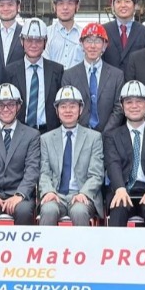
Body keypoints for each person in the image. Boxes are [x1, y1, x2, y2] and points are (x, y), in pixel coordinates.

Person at [0, 84, 41, 226]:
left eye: (10, 104)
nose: (5, 109)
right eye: (0, 105)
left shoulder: (32, 135)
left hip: (18, 193)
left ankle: (21, 249)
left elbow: (32, 169)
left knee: (23, 211)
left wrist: (20, 194)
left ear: (19, 106)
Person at [103, 80, 145, 228]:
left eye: (139, 101)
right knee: (118, 207)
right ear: (122, 106)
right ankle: (116, 250)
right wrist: (119, 188)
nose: (134, 106)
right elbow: (113, 164)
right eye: (129, 102)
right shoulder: (111, 136)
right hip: (122, 189)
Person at [37, 86, 103, 226]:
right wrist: (48, 191)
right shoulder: (46, 139)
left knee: (79, 211)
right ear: (56, 110)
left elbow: (96, 174)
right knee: (48, 209)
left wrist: (84, 194)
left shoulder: (94, 138)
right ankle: (47, 248)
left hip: (82, 193)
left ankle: (81, 249)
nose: (67, 110)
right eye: (63, 106)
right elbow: (44, 172)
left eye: (72, 106)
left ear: (80, 109)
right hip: (56, 194)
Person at [1, 18, 64, 134]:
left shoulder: (57, 70)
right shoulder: (10, 71)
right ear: (22, 41)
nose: (33, 45)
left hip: (49, 132)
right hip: (19, 133)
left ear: (45, 42)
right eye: (29, 40)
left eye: (39, 40)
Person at [61, 23, 125, 132]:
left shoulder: (117, 75)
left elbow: (119, 108)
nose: (93, 46)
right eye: (88, 41)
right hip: (78, 136)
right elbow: (66, 106)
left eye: (98, 41)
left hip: (108, 136)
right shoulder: (69, 75)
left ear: (104, 46)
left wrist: (106, 133)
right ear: (81, 44)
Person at [101, 0, 145, 71]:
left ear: (135, 5)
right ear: (112, 6)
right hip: (109, 83)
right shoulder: (103, 31)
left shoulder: (144, 32)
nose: (123, 5)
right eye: (118, 2)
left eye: (127, 1)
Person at [44, 0, 84, 70]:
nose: (65, 8)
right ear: (54, 7)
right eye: (61, 3)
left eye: (70, 3)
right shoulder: (46, 34)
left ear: (77, 6)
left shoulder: (84, 35)